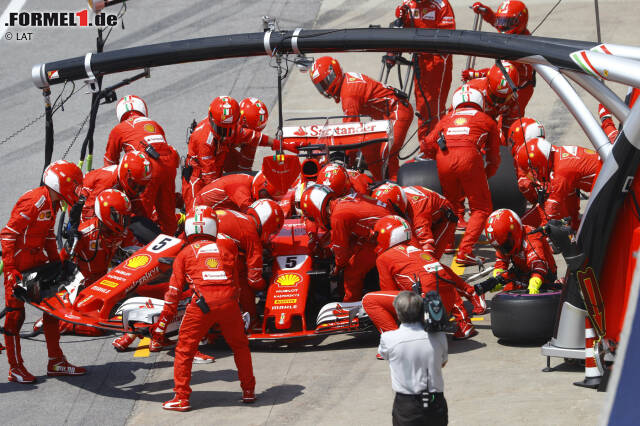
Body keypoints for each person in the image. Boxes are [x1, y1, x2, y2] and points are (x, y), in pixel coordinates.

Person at [153, 205, 256, 411]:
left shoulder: (184, 253)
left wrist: (162, 325)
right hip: (229, 301)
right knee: (240, 346)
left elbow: (173, 293)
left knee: (184, 350)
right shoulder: (228, 246)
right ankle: (248, 391)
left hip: (202, 304)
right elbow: (236, 283)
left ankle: (181, 398)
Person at [1, 160, 87, 383]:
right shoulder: (34, 202)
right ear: (62, 184)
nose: (78, 191)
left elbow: (48, 235)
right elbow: (8, 235)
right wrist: (10, 269)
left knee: (54, 309)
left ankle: (56, 362)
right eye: (75, 185)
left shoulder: (53, 204)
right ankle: (15, 368)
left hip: (39, 265)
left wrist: (57, 261)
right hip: (19, 269)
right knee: (15, 317)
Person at [371, 184, 487, 314]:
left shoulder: (417, 210)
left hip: (443, 220)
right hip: (417, 216)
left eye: (390, 211)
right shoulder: (390, 200)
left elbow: (426, 249)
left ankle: (471, 293)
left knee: (429, 267)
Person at [421, 84, 500, 266]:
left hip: (444, 158)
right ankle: (465, 251)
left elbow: (426, 144)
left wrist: (437, 157)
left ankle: (447, 243)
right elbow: (494, 158)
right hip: (469, 159)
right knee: (481, 208)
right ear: (479, 102)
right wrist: (484, 176)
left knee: (450, 203)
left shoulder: (446, 119)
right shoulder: (487, 120)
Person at [363, 215, 478, 339]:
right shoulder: (419, 251)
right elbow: (445, 281)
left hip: (424, 305)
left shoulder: (384, 258)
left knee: (369, 300)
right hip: (445, 303)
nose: (375, 239)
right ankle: (465, 323)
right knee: (439, 280)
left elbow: (388, 291)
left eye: (376, 236)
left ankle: (395, 341)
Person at [182, 96, 296, 211]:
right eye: (222, 129)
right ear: (212, 120)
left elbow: (254, 137)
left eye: (229, 129)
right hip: (198, 177)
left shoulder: (232, 129)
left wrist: (281, 144)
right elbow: (210, 179)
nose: (226, 134)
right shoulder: (204, 140)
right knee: (195, 213)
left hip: (217, 166)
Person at [309, 56, 414, 180]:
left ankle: (395, 187)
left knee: (387, 152)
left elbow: (350, 133)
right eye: (321, 86)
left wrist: (349, 160)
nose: (325, 88)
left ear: (333, 73)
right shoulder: (347, 80)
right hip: (386, 116)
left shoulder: (349, 94)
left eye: (325, 82)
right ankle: (379, 183)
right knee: (368, 147)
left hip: (398, 110)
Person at [300, 184, 393, 302]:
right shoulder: (345, 200)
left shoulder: (337, 216)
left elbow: (341, 253)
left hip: (385, 237)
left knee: (351, 272)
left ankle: (350, 305)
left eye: (312, 218)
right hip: (388, 228)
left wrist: (337, 267)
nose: (314, 221)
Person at [104, 95, 179, 235]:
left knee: (140, 215)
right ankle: (171, 247)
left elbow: (109, 162)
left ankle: (142, 250)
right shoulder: (154, 124)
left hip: (147, 168)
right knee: (167, 214)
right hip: (168, 165)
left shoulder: (119, 129)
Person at [378, 291, 449, 426]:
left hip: (406, 404)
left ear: (398, 313)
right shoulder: (439, 336)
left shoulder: (388, 338)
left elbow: (384, 355)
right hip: (435, 400)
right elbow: (442, 363)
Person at [393, 0, 456, 137]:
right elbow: (403, 32)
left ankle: (437, 146)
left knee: (434, 108)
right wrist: (400, 20)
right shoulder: (408, 4)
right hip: (420, 61)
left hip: (438, 62)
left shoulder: (442, 5)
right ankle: (425, 146)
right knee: (421, 108)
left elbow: (448, 37)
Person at [216, 199, 284, 325]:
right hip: (214, 253)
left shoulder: (240, 216)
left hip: (196, 239)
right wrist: (267, 287)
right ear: (268, 223)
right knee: (242, 279)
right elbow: (254, 280)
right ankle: (252, 320)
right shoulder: (252, 235)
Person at [464, 1, 535, 120]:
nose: (502, 26)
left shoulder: (523, 47)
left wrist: (476, 74)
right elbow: (496, 22)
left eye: (507, 22)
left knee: (508, 121)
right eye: (502, 21)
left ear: (520, 20)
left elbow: (503, 73)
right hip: (507, 83)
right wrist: (486, 12)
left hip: (519, 89)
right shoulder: (510, 30)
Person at [515, 138, 602, 228]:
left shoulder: (561, 172)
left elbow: (552, 209)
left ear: (540, 161)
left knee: (595, 229)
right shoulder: (558, 154)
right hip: (605, 180)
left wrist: (540, 233)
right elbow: (570, 196)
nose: (535, 174)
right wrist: (574, 222)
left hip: (608, 185)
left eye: (535, 169)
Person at [483, 208, 557, 294]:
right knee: (504, 293)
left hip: (543, 277)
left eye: (505, 245)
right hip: (521, 273)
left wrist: (534, 284)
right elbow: (501, 261)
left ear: (515, 231)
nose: (504, 251)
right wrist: (496, 280)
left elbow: (539, 266)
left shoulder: (532, 238)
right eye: (499, 247)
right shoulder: (503, 241)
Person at [80, 151, 152, 222]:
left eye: (142, 187)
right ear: (126, 175)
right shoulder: (108, 183)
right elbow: (88, 211)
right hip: (83, 200)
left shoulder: (124, 181)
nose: (138, 190)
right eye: (135, 185)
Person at [223, 97, 270, 172]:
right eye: (250, 131)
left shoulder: (251, 137)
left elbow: (245, 168)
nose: (252, 134)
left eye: (256, 131)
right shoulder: (224, 127)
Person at [506, 117, 546, 204]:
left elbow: (524, 185)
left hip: (553, 205)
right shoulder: (547, 150)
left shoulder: (523, 157)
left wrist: (536, 202)